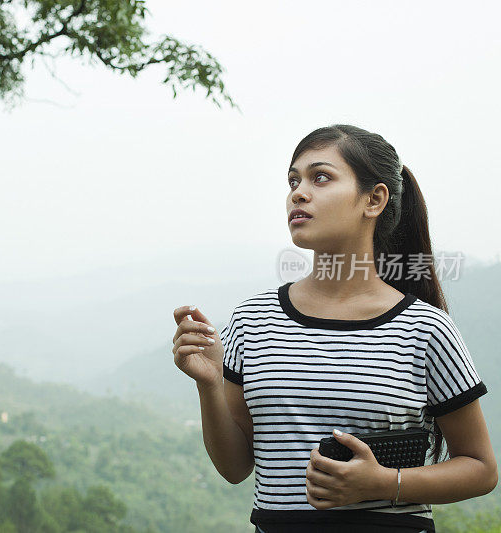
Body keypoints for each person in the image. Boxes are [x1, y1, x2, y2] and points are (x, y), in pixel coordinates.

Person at [171, 124, 497, 533]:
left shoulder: (425, 328)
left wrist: (383, 483)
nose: (298, 192)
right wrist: (208, 385)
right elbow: (235, 467)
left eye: (320, 177)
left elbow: (481, 468)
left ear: (374, 199)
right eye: (293, 180)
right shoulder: (252, 321)